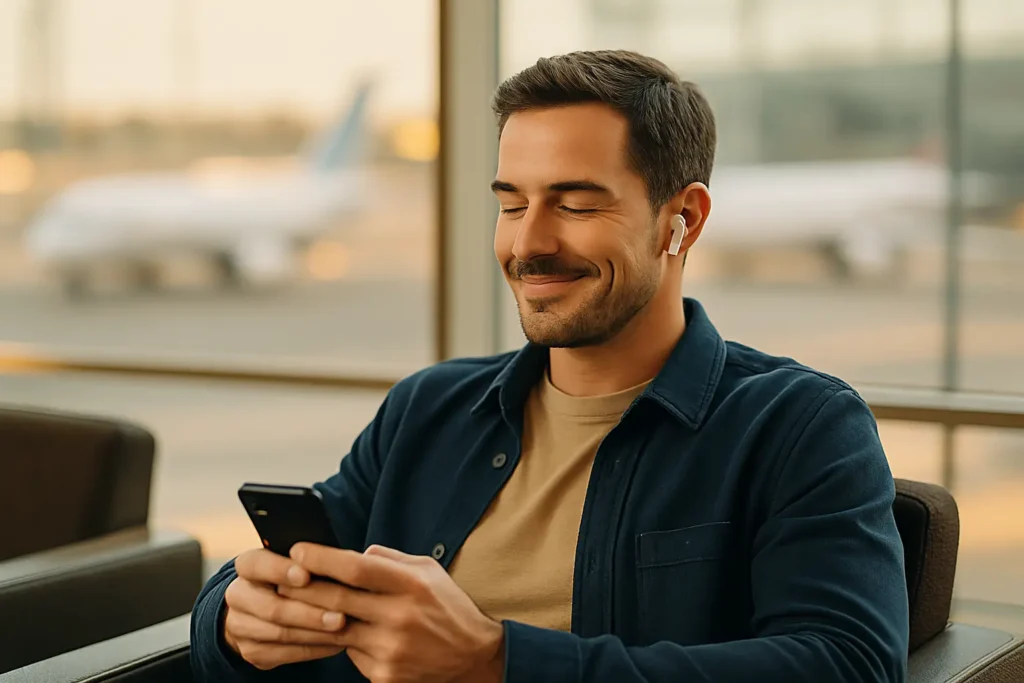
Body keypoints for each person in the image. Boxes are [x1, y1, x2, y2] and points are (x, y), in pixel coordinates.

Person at [190, 49, 909, 683]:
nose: (528, 243)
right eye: (512, 204)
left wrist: (495, 661)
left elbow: (848, 663)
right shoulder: (430, 406)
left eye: (573, 204)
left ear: (682, 219)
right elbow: (287, 561)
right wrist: (231, 615)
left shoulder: (799, 424)